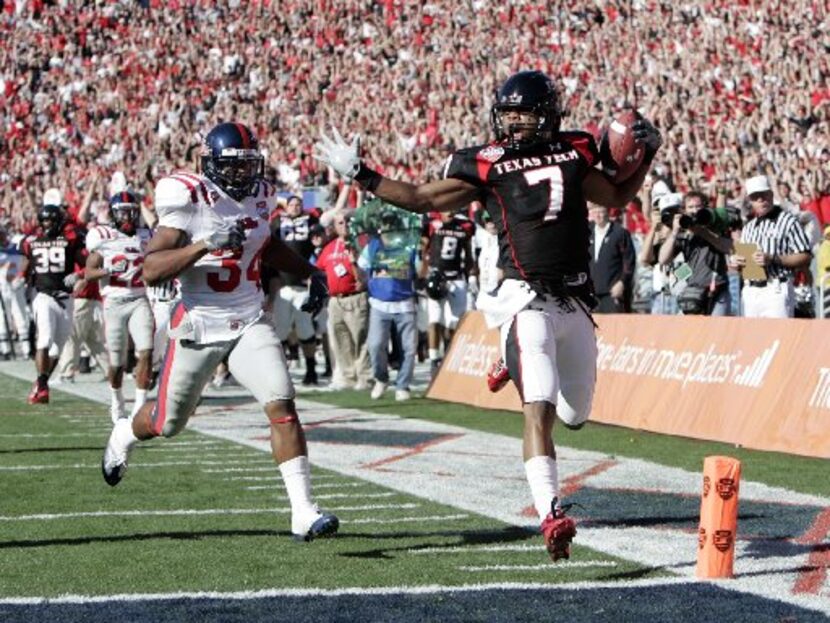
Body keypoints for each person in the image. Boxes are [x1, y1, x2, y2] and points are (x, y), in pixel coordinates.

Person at [313, 70, 662, 561]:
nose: (515, 122)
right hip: (524, 299)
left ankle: (509, 358)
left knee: (575, 414)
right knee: (536, 404)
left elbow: (618, 196)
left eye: (525, 113)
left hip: (576, 301)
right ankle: (550, 513)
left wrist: (646, 156)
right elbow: (422, 198)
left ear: (548, 115)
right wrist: (362, 175)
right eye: (509, 113)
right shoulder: (487, 162)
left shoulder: (577, 150)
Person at [101, 122, 338, 542]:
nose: (244, 175)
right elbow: (151, 268)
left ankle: (303, 511)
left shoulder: (262, 193)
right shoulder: (187, 196)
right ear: (209, 163)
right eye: (234, 166)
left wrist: (310, 271)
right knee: (166, 423)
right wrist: (203, 245)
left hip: (247, 317)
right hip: (198, 320)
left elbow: (266, 244)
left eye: (249, 164)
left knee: (281, 399)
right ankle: (123, 433)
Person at [84, 191, 155, 422]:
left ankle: (140, 405)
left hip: (138, 299)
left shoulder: (146, 235)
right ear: (113, 214)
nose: (128, 216)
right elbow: (88, 272)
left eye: (132, 211)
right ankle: (116, 401)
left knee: (146, 350)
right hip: (114, 302)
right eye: (123, 212)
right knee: (117, 362)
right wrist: (108, 270)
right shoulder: (102, 235)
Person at [17, 204, 87, 403]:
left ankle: (41, 385)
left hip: (65, 298)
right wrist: (23, 277)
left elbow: (88, 263)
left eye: (51, 220)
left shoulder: (70, 240)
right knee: (45, 340)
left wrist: (80, 275)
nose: (47, 224)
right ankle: (42, 384)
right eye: (44, 220)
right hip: (44, 296)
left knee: (58, 348)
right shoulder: (31, 241)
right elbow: (25, 265)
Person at [357, 208, 421, 402]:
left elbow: (420, 270)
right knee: (376, 345)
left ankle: (403, 384)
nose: (388, 228)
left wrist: (423, 255)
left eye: (391, 224)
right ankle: (381, 378)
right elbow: (361, 268)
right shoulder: (373, 246)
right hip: (379, 303)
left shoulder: (409, 247)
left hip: (404, 303)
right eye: (385, 224)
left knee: (409, 348)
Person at [729, 175, 812, 318]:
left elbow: (805, 256)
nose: (760, 199)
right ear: (750, 200)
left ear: (771, 194)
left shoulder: (788, 221)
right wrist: (736, 262)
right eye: (755, 196)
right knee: (751, 338)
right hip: (750, 290)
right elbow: (743, 267)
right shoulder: (748, 227)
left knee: (781, 338)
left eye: (763, 194)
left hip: (776, 288)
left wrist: (773, 258)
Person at [316, 209, 371, 390]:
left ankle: (365, 377)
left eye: (347, 221)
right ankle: (348, 377)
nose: (345, 225)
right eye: (340, 222)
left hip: (355, 298)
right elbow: (320, 271)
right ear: (334, 227)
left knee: (361, 339)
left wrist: (357, 268)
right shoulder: (329, 247)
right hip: (335, 300)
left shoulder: (362, 243)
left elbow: (369, 272)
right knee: (341, 340)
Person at [271, 195, 322, 385]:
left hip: (303, 286)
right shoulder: (277, 222)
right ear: (286, 207)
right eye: (292, 204)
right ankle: (280, 372)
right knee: (281, 331)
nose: (295, 207)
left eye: (298, 204)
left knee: (305, 328)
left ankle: (311, 370)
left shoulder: (310, 220)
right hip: (282, 286)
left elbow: (320, 235)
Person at [658, 190, 733, 316]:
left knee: (717, 333)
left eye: (698, 207)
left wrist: (702, 232)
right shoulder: (684, 234)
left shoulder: (715, 227)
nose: (694, 211)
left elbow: (729, 248)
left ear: (705, 208)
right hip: (693, 292)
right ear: (684, 211)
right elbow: (663, 259)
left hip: (717, 290)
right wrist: (675, 231)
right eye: (690, 207)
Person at [421, 209, 476, 375]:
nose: (450, 212)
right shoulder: (432, 224)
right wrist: (423, 275)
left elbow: (468, 254)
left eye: (453, 208)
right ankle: (433, 359)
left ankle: (450, 355)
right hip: (436, 277)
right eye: (446, 208)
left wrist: (471, 275)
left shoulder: (465, 226)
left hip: (456, 278)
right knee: (434, 319)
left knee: (454, 323)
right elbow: (424, 251)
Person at [588, 203, 636, 313]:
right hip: (592, 293)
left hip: (612, 293)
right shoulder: (587, 232)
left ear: (607, 212)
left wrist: (622, 282)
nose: (598, 215)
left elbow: (629, 261)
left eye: (601, 212)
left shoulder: (619, 233)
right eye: (595, 212)